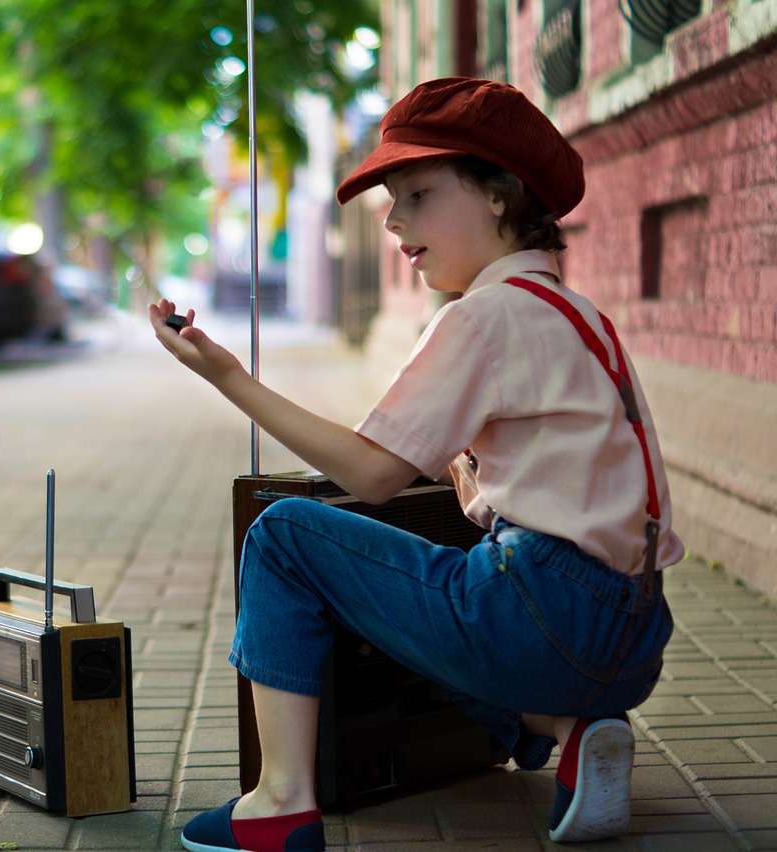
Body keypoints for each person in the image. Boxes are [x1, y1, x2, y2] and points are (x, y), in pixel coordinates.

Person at [155, 78, 681, 852]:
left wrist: (228, 377)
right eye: (392, 201)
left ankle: (279, 801)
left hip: (542, 615)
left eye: (419, 194)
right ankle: (568, 729)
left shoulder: (483, 315)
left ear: (499, 195)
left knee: (285, 536)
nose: (395, 223)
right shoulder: (580, 315)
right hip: (635, 635)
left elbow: (371, 476)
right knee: (432, 576)